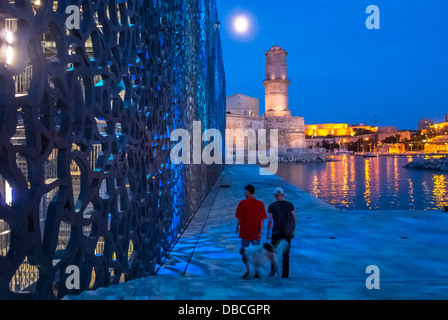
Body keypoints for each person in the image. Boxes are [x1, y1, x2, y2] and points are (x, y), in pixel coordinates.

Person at [235, 184, 267, 279]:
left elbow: (239, 218)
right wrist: (260, 232)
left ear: (248, 192)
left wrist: (237, 227)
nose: (244, 194)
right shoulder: (260, 204)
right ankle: (256, 271)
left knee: (245, 252)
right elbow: (262, 219)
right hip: (256, 233)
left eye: (245, 192)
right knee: (256, 253)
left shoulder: (242, 203)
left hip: (245, 232)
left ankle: (248, 270)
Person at [266, 187, 296, 278]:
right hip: (287, 233)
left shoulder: (272, 206)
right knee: (285, 254)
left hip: (276, 233)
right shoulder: (289, 205)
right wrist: (293, 230)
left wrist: (268, 232)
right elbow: (294, 218)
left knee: (273, 253)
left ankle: (273, 270)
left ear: (275, 195)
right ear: (283, 195)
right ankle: (285, 274)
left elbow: (270, 221)